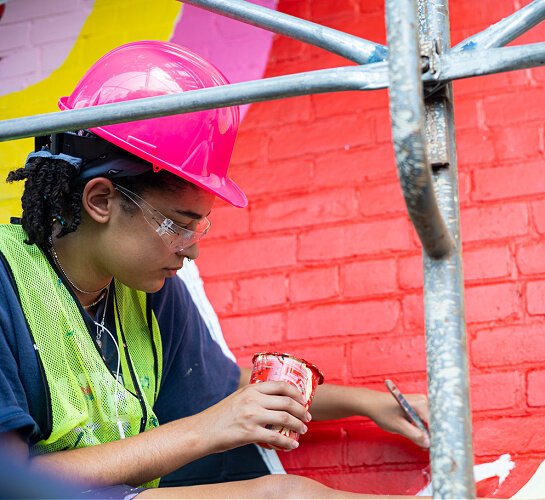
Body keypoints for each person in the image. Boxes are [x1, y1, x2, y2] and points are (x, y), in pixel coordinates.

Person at [0, 41, 429, 499]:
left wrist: (370, 404)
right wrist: (206, 430)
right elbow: (11, 482)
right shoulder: (9, 286)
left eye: (199, 227)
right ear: (102, 200)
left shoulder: (146, 288)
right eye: (177, 225)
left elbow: (220, 388)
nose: (190, 253)